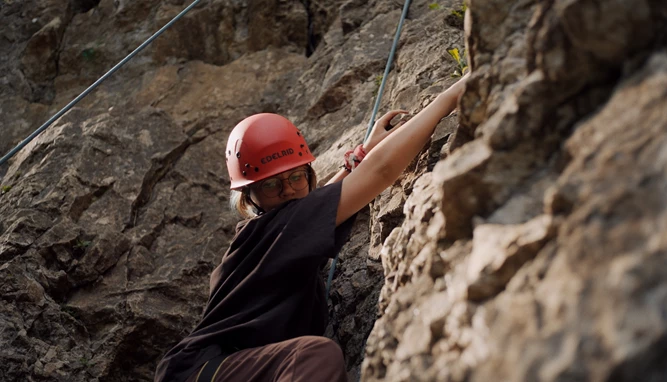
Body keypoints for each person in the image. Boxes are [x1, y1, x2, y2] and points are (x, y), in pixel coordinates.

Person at [154, 73, 470, 382]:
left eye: (295, 177)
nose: (288, 189)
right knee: (314, 357)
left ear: (308, 172)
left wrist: (357, 158)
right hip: (206, 369)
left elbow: (317, 204)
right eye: (271, 185)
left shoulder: (266, 235)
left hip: (222, 368)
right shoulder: (275, 228)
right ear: (249, 197)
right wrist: (450, 98)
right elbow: (382, 171)